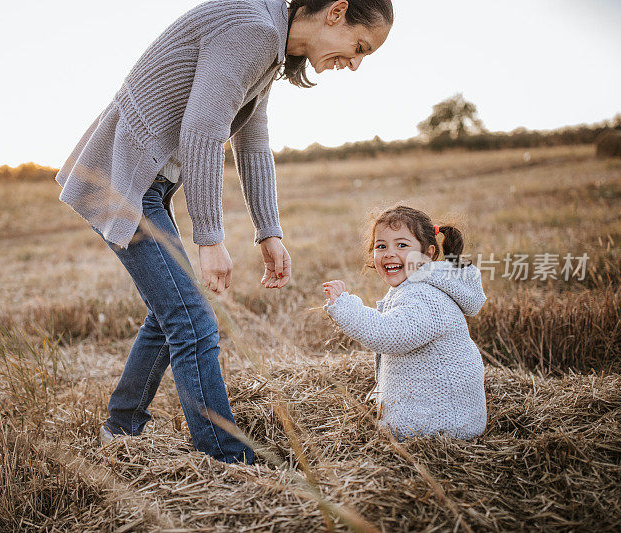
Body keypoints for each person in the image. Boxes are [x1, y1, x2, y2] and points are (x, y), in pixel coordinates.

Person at [54, 0, 393, 464]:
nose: (354, 64)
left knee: (172, 309)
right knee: (192, 320)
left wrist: (268, 230)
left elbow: (251, 141)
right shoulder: (254, 30)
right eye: (359, 47)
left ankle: (122, 426)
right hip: (125, 176)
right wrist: (210, 238)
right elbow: (203, 130)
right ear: (336, 11)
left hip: (145, 177)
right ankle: (225, 458)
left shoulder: (270, 43)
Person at [322, 206, 488, 441]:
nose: (389, 253)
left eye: (401, 245)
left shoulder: (425, 295)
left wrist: (345, 308)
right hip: (438, 419)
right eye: (381, 246)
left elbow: (391, 334)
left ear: (428, 253)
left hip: (442, 430)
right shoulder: (413, 288)